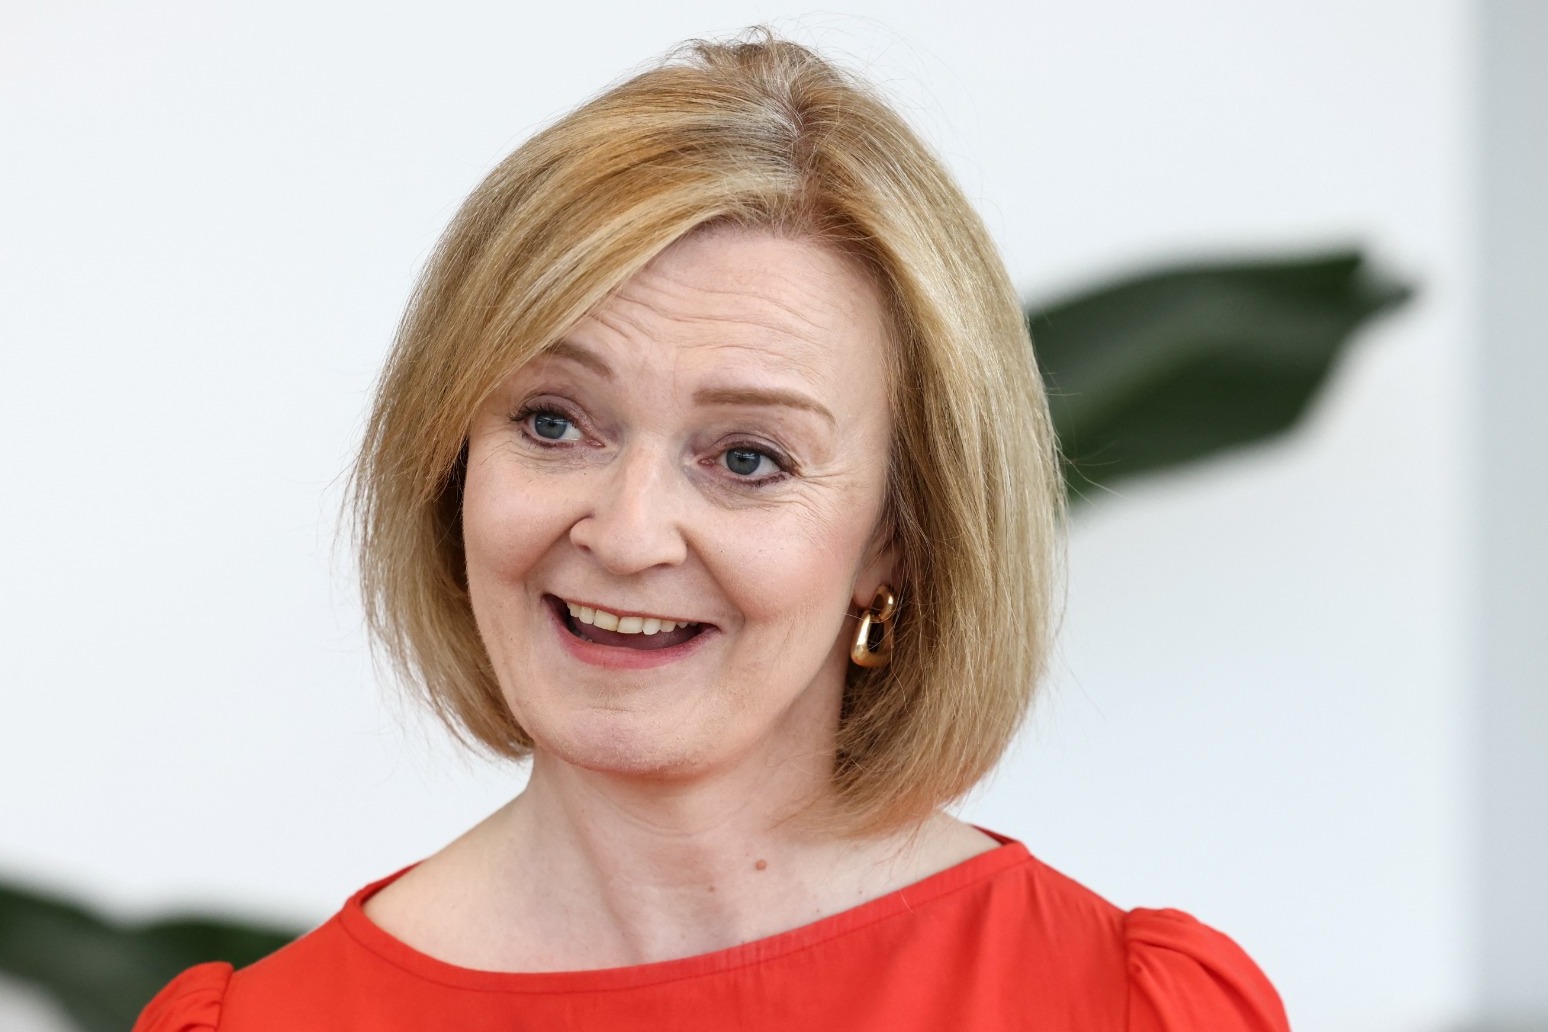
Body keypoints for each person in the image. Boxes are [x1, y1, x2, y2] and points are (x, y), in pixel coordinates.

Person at [135, 30, 1289, 1031]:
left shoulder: (1118, 1008)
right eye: (553, 422)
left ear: (895, 537)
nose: (629, 534)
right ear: (452, 463)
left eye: (748, 459)